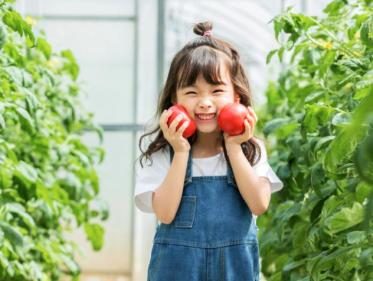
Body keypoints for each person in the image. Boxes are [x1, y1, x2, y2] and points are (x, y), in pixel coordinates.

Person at [134, 21, 283, 281]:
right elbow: (166, 214)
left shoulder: (250, 150)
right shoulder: (163, 153)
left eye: (217, 91)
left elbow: (259, 204)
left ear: (237, 97)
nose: (204, 102)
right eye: (191, 92)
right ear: (174, 101)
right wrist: (180, 153)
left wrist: (234, 149)